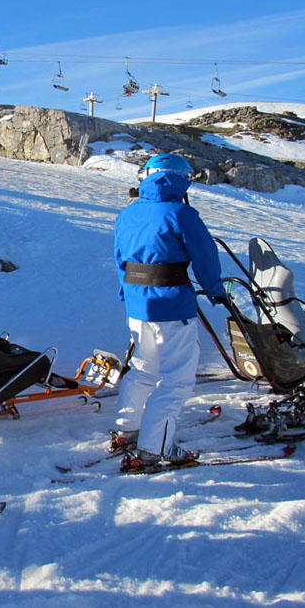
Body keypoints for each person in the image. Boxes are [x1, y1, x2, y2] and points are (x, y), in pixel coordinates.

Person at [112, 153, 226, 471]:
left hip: (138, 306)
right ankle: (154, 448)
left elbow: (120, 258)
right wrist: (215, 289)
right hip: (172, 305)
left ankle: (127, 429)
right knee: (176, 378)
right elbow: (204, 255)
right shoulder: (181, 213)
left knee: (143, 369)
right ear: (180, 180)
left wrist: (127, 291)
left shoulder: (127, 214)